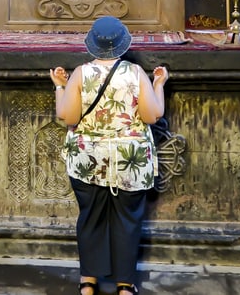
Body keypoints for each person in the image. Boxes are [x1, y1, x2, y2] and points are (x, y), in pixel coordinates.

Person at [49, 16, 169, 295]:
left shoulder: (80, 73)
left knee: (90, 217)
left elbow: (67, 115)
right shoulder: (136, 73)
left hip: (88, 160)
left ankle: (88, 282)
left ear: (93, 45)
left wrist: (59, 85)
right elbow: (153, 115)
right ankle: (125, 285)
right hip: (130, 161)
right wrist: (159, 84)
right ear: (122, 45)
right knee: (128, 220)